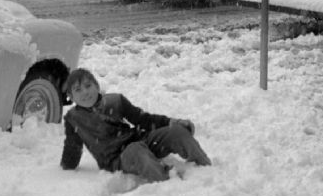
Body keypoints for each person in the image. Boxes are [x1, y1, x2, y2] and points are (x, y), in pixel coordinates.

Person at [60, 68, 211, 182]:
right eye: (78, 90)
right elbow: (72, 147)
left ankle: (206, 167)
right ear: (71, 97)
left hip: (141, 141)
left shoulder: (116, 101)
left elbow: (143, 119)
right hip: (117, 159)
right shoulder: (74, 119)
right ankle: (166, 182)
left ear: (97, 86)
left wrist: (170, 122)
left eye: (88, 86)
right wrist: (67, 165)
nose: (85, 92)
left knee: (176, 132)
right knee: (136, 150)